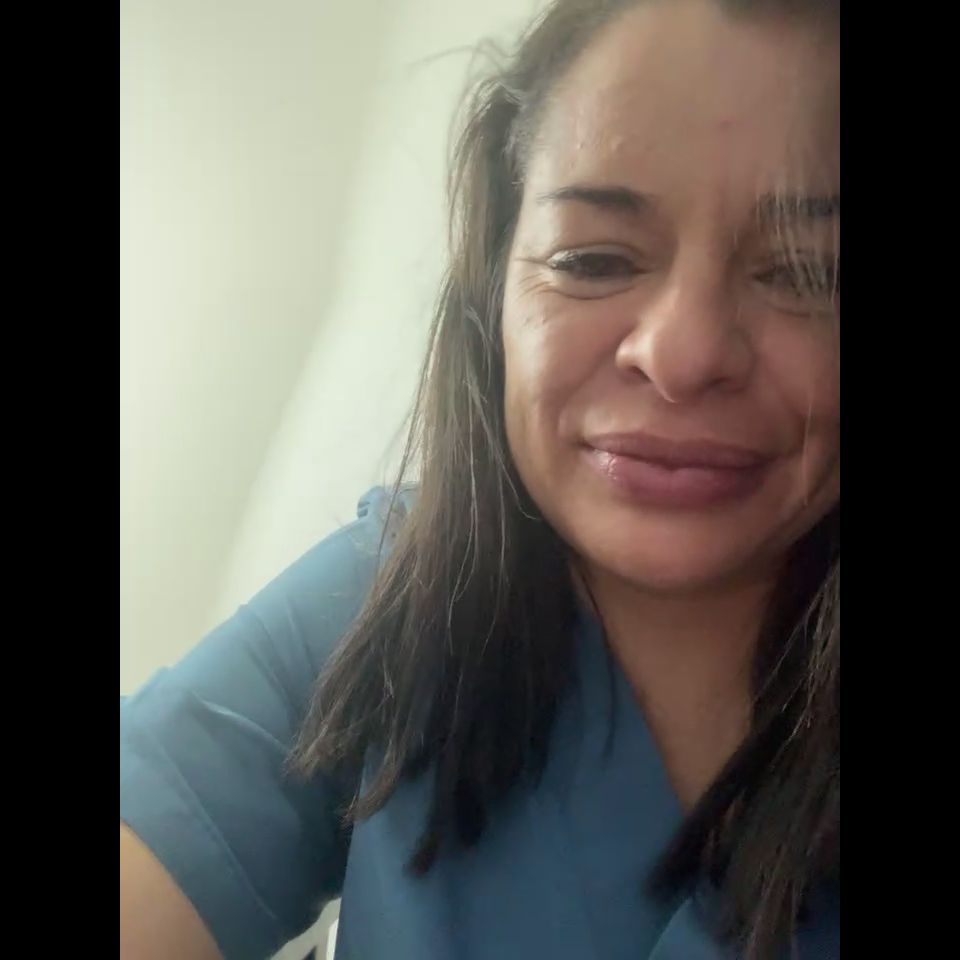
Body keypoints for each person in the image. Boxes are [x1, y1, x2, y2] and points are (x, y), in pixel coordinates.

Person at [119, 1, 840, 957]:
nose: (682, 353)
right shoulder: (383, 601)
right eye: (592, 259)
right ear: (492, 293)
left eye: (807, 274)